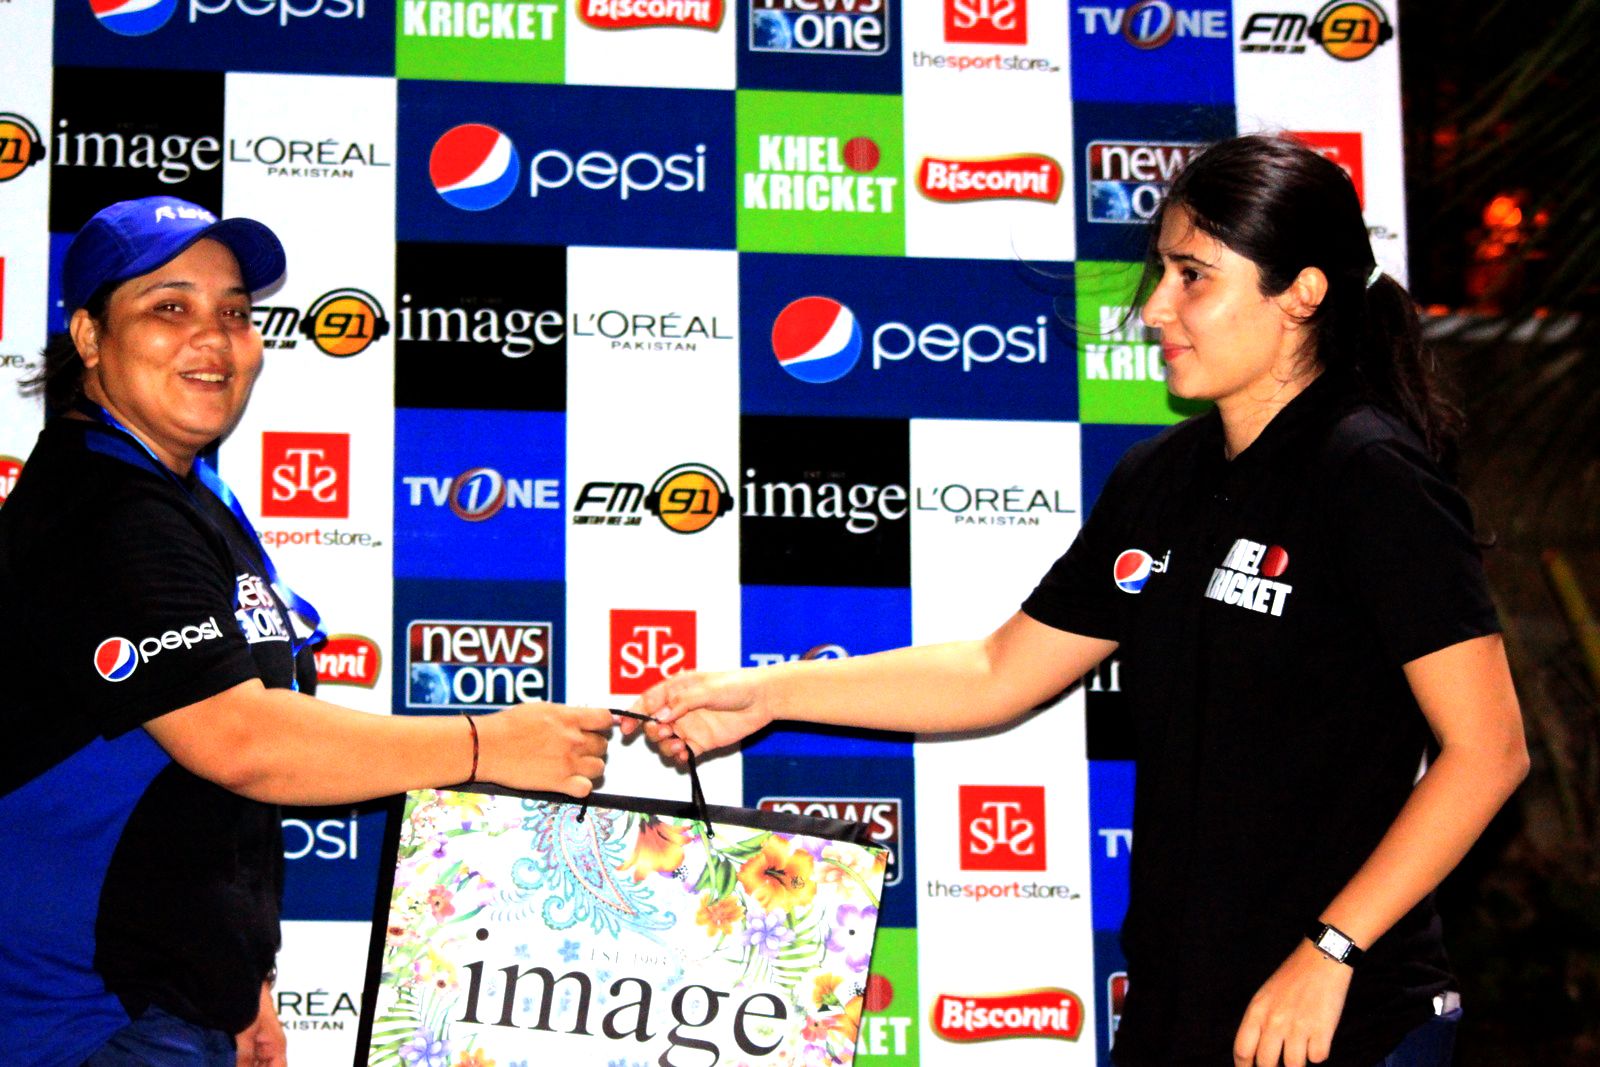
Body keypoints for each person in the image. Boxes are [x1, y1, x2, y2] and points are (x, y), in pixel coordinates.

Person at [627, 135, 1529, 1067]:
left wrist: (1332, 948)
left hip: (1342, 1012)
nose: (1155, 307)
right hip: (1177, 1011)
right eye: (1160, 272)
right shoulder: (1160, 478)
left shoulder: (1369, 472)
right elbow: (996, 670)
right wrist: (769, 693)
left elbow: (1489, 749)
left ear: (1301, 292)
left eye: (1193, 276)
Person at [0, 196, 613, 1067]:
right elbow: (239, 738)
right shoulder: (107, 509)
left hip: (158, 1006)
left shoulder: (185, 497)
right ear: (91, 336)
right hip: (78, 1020)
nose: (213, 338)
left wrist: (238, 978)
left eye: (234, 313)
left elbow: (198, 782)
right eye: (169, 307)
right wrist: (487, 744)